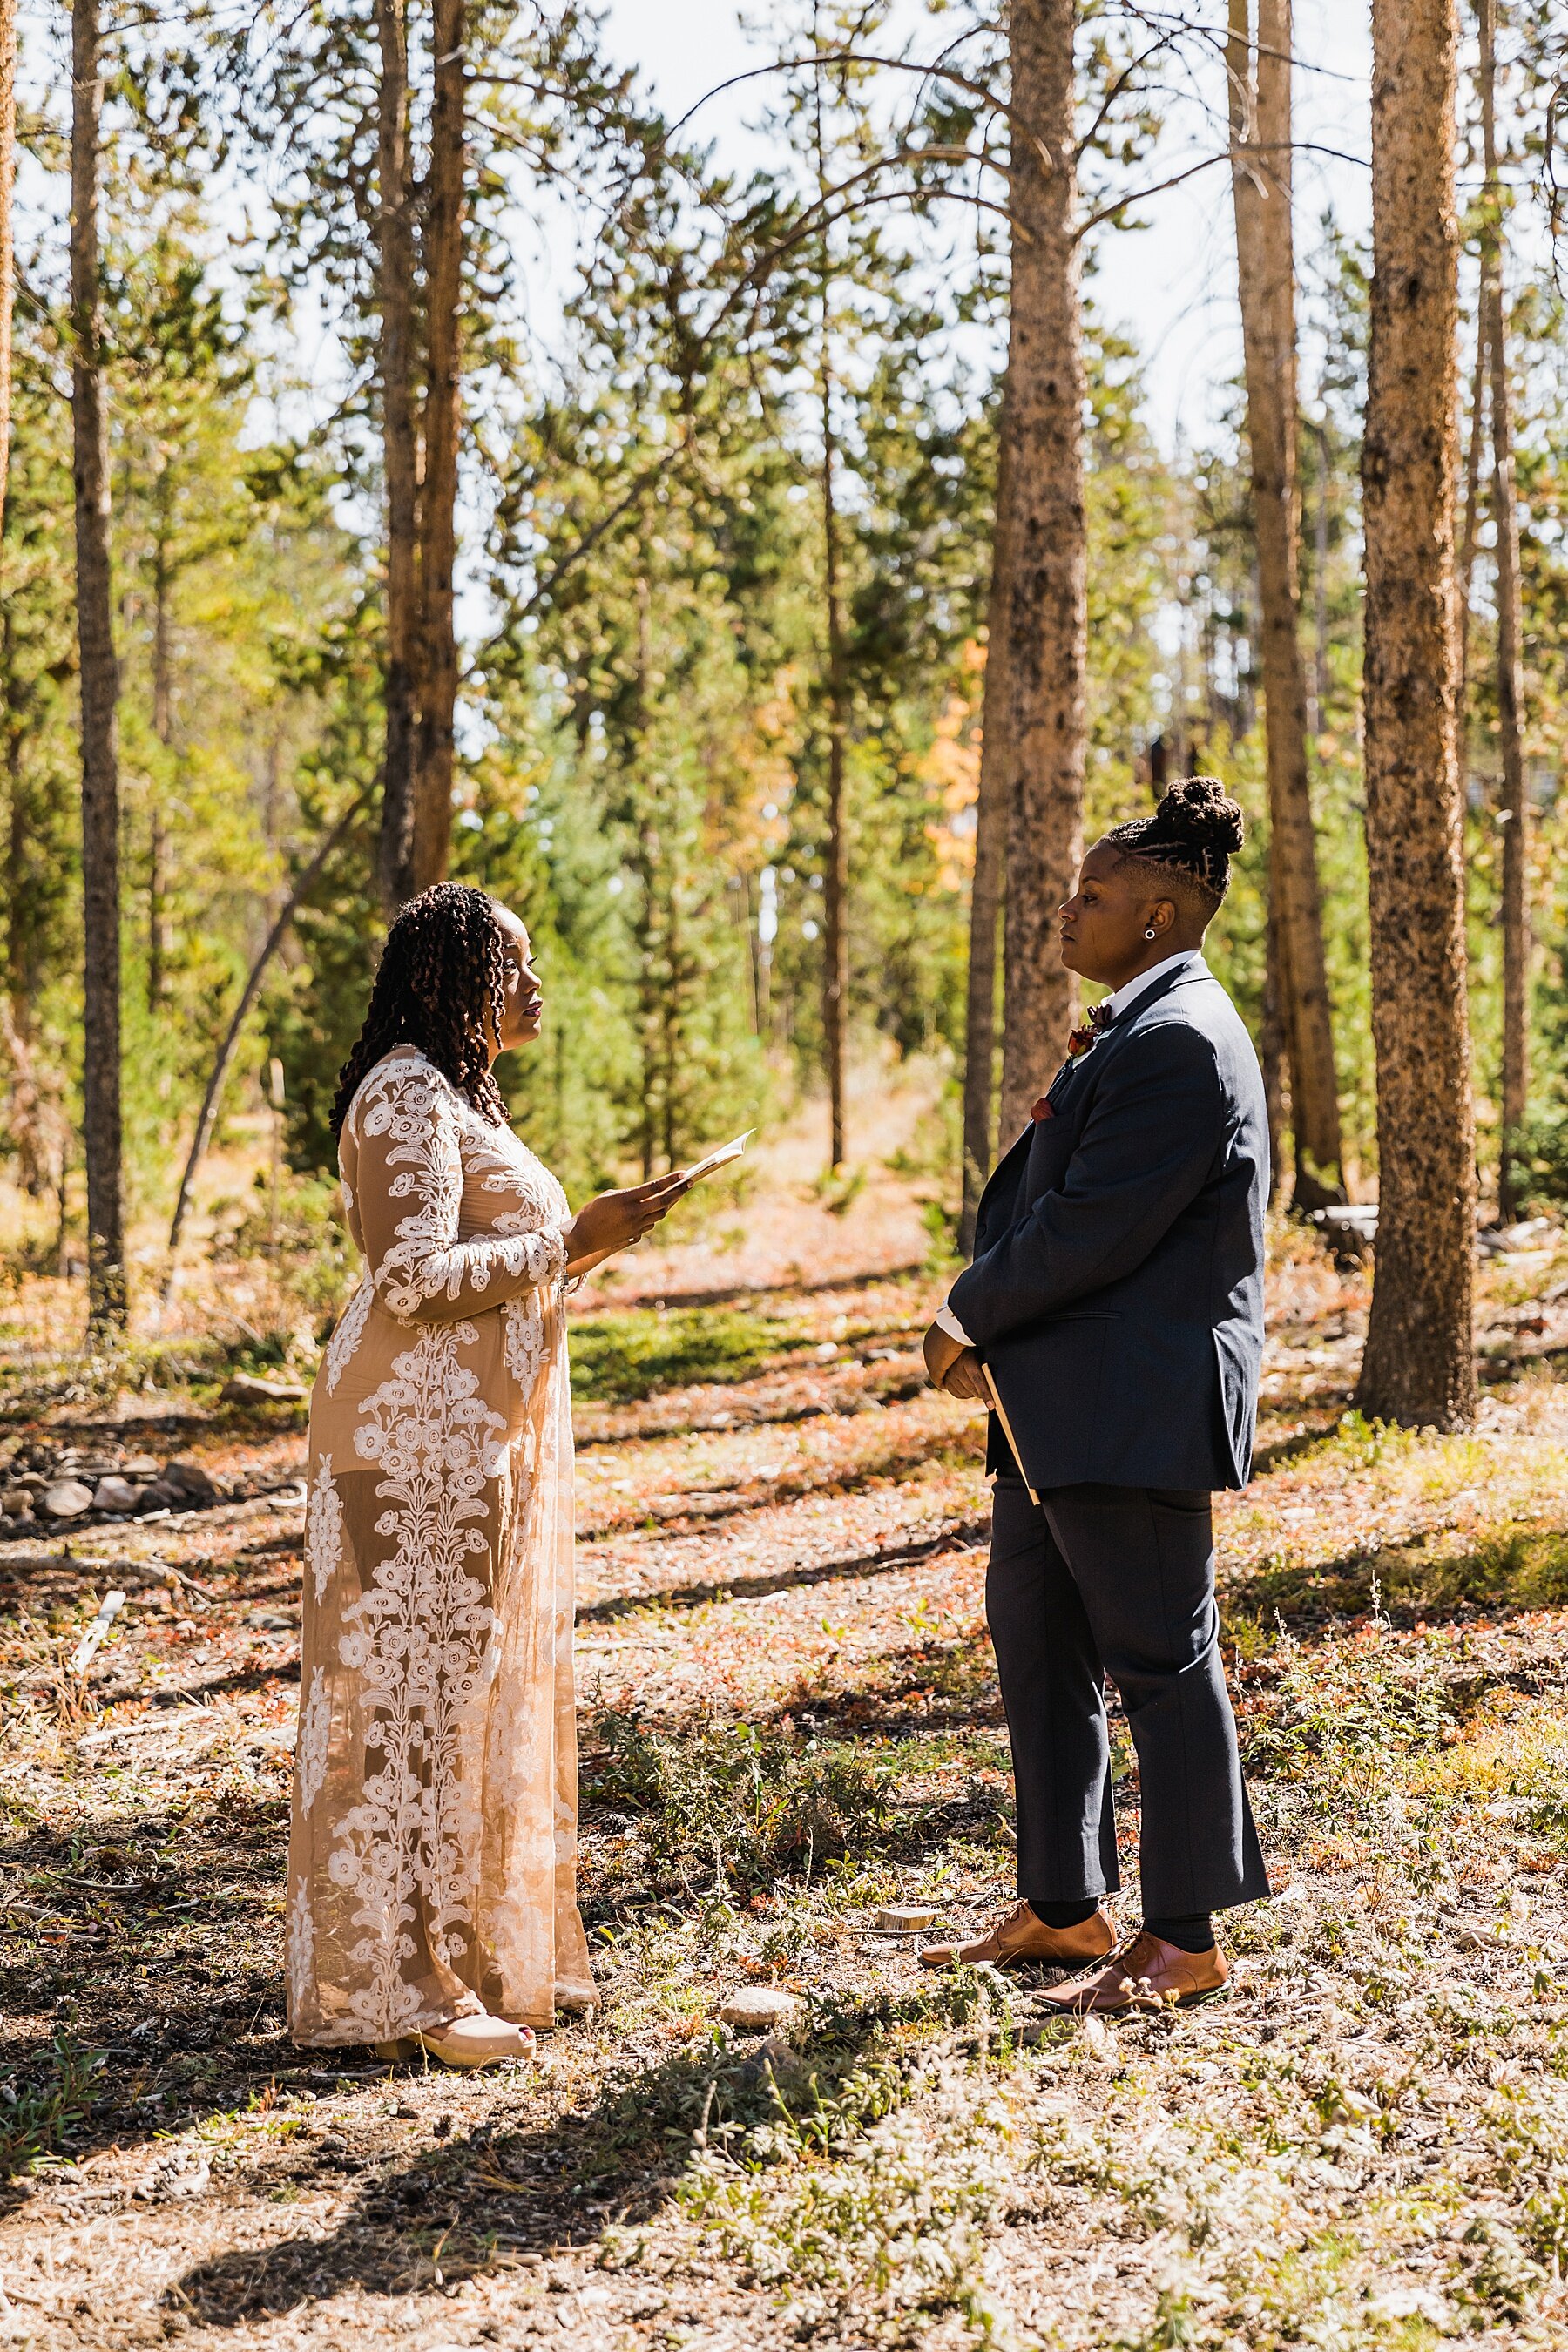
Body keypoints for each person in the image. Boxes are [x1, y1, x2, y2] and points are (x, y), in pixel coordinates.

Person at [287, 882, 690, 2068]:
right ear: (457, 974)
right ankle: (406, 1995)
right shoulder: (408, 1088)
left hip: (467, 1444)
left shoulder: (458, 1095)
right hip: (409, 1446)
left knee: (444, 1706)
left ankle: (447, 1965)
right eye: (513, 963)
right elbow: (408, 1279)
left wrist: (584, 1249)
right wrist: (580, 1238)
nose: (534, 984)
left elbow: (497, 1277)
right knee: (406, 1718)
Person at [919, 778, 1271, 2013]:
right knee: (1040, 1639)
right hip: (1057, 1409)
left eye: (1094, 896)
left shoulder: (1180, 1037)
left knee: (1162, 1664)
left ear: (1163, 914)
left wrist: (966, 1309)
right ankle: (1066, 1906)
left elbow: (1093, 1227)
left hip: (1134, 1404)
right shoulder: (1137, 1022)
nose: (1067, 913)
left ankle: (1184, 1938)